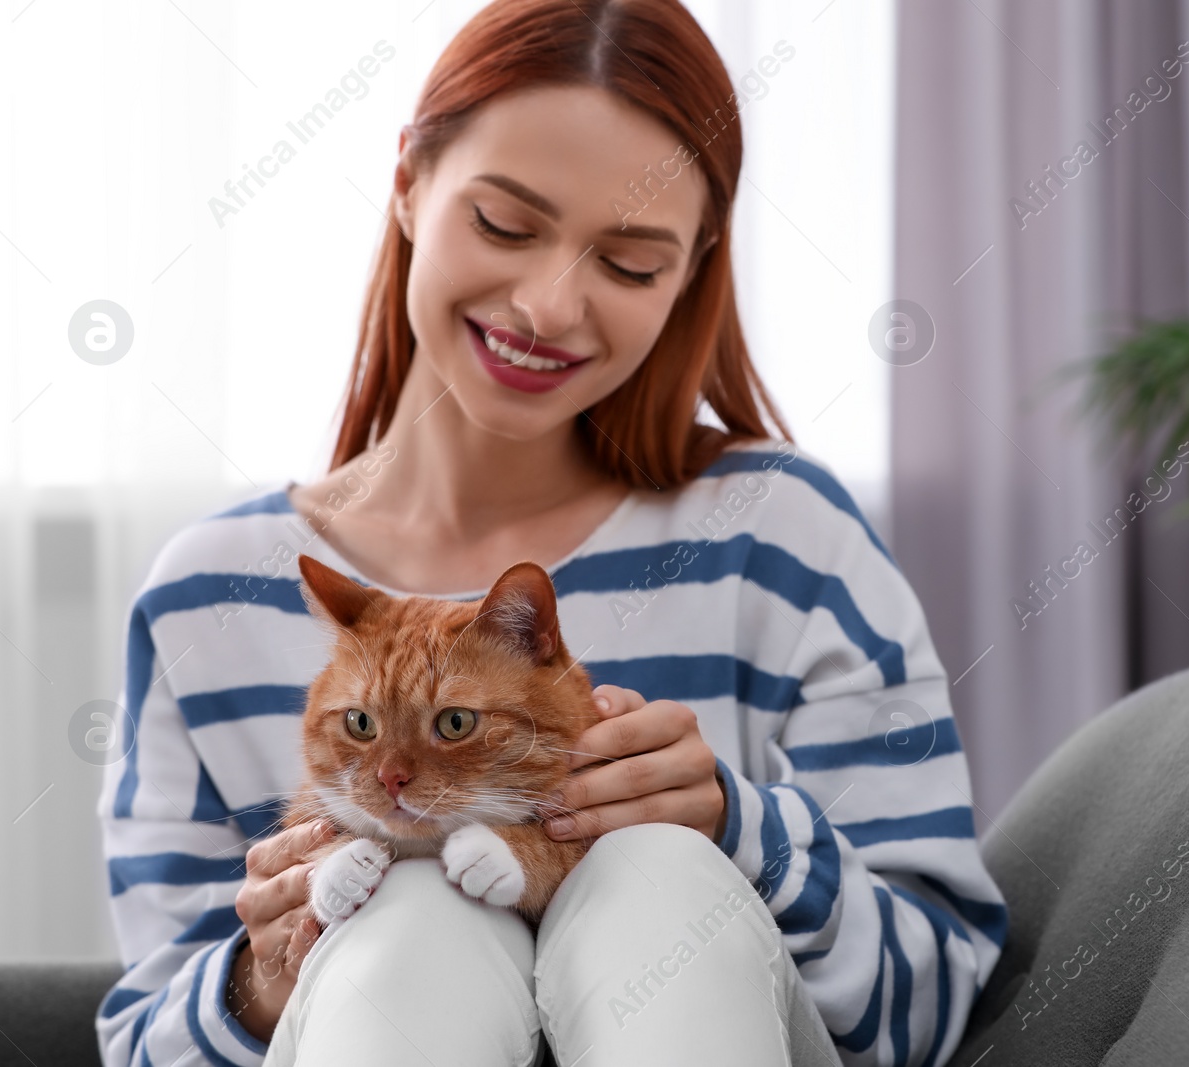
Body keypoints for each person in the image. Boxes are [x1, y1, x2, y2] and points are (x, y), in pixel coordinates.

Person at [94, 1, 1007, 1064]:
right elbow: (145, 1043)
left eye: (628, 264)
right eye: (506, 224)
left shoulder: (787, 539)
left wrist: (731, 827)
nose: (547, 306)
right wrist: (267, 976)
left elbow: (937, 1006)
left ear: (692, 270)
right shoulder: (208, 594)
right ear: (406, 183)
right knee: (410, 907)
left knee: (652, 877)